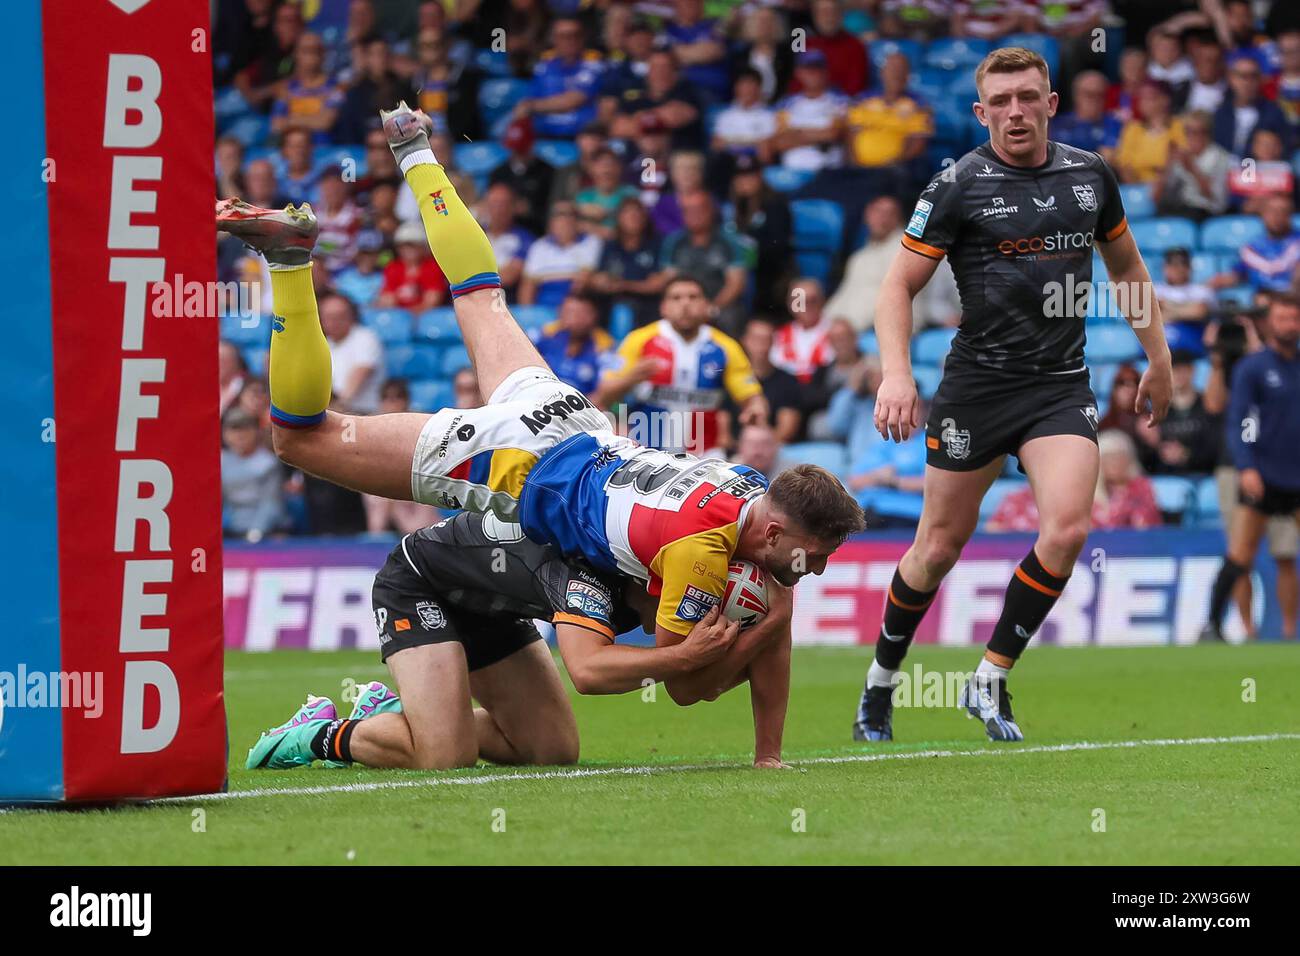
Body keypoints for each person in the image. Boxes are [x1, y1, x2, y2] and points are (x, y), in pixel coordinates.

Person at [217, 100, 863, 683]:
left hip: (578, 422)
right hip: (522, 466)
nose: (818, 569)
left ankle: (414, 148)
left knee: (479, 294)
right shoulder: (707, 552)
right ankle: (291, 264)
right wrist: (757, 623)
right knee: (300, 436)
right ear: (777, 532)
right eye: (815, 557)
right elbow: (685, 680)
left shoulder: (750, 483)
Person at [854, 47, 1173, 744]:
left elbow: (1128, 269)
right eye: (1000, 102)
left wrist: (1159, 357)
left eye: (1028, 97)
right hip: (976, 389)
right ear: (981, 111)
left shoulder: (1091, 177)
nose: (1015, 112)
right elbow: (895, 287)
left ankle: (989, 677)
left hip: (1058, 387)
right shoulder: (957, 184)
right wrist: (897, 373)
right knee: (937, 548)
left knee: (1067, 529)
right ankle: (881, 683)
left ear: (1051, 103)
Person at [246, 509, 795, 771]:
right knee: (444, 758)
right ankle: (321, 732)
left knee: (551, 752)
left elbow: (694, 682)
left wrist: (767, 625)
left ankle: (402, 709)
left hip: (495, 605)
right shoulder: (591, 579)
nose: (695, 618)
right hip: (422, 584)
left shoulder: (675, 568)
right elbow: (589, 674)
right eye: (696, 612)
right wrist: (683, 654)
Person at [1202, 293, 1300, 642]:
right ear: (1271, 322)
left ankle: (1290, 633)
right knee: (1240, 555)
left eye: (1294, 318)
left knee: (1286, 556)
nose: (1289, 325)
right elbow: (1236, 421)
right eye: (1283, 318)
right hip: (1262, 474)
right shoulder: (1253, 367)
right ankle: (1213, 625)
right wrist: (1247, 467)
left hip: (1297, 475)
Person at [593, 277, 767, 457]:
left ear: (706, 305)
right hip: (647, 451)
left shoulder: (726, 347)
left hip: (705, 453)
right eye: (676, 298)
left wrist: (756, 408)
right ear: (664, 307)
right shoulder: (638, 340)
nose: (685, 304)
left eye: (693, 297)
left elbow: (752, 397)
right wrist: (631, 378)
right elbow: (604, 395)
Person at [658, 190, 749, 335]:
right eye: (689, 211)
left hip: (719, 305)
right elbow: (667, 280)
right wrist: (682, 306)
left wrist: (712, 307)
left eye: (699, 209)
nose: (694, 215)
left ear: (710, 211)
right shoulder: (674, 242)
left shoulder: (730, 242)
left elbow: (736, 284)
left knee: (730, 316)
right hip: (683, 302)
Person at [362, 379, 443, 534]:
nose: (392, 403)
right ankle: (376, 543)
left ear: (406, 400)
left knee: (420, 486)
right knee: (376, 496)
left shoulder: (421, 429)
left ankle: (421, 539)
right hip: (386, 495)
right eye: (386, 397)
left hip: (415, 491)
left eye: (397, 397)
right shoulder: (372, 433)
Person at [770, 50, 848, 172]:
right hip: (792, 172)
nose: (813, 73)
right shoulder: (786, 104)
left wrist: (796, 133)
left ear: (826, 72)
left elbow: (834, 133)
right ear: (798, 73)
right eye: (808, 69)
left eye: (818, 68)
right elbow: (779, 143)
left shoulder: (840, 101)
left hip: (827, 171)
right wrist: (820, 134)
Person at [221, 406, 287, 541]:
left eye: (245, 429)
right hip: (232, 530)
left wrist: (256, 531)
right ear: (225, 434)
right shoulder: (221, 461)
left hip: (267, 532)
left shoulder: (268, 463)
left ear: (256, 432)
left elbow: (271, 502)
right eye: (234, 429)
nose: (240, 435)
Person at [518, 201, 602, 306]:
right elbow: (527, 285)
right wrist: (527, 311)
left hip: (573, 303)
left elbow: (583, 280)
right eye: (559, 214)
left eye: (570, 214)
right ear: (551, 222)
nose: (565, 220)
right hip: (542, 303)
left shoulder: (591, 242)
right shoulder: (539, 246)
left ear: (578, 220)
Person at [1152, 110, 1232, 220]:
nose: (1191, 137)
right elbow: (1157, 197)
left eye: (1196, 132)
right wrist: (1168, 163)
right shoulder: (1183, 156)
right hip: (1183, 207)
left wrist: (1192, 169)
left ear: (1207, 133)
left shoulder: (1220, 157)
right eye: (1187, 131)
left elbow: (1218, 200)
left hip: (1206, 211)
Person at [531, 293, 614, 397]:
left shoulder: (603, 347)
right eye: (567, 312)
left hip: (581, 406)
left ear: (593, 316)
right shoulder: (545, 334)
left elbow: (605, 391)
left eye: (578, 314)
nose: (571, 318)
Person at [741, 316, 807, 445]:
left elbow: (787, 431)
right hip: (734, 453)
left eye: (766, 339)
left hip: (774, 451)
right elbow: (723, 434)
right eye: (756, 338)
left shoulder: (788, 382)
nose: (761, 345)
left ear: (774, 342)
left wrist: (759, 447)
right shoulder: (731, 380)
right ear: (745, 340)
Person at [319, 291, 384, 415]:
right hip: (333, 412)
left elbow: (361, 372)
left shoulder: (365, 337)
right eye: (329, 317)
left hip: (363, 413)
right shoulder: (323, 343)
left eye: (340, 316)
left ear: (351, 316)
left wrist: (339, 404)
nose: (335, 322)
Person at [771, 278, 833, 385]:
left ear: (823, 301)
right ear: (790, 304)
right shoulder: (778, 336)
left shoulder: (836, 333)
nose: (806, 305)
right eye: (799, 300)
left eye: (813, 300)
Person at [1050, 71, 1122, 161]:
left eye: (1100, 95)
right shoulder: (1059, 124)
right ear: (1076, 95)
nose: (1095, 100)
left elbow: (1110, 157)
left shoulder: (1114, 125)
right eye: (1089, 94)